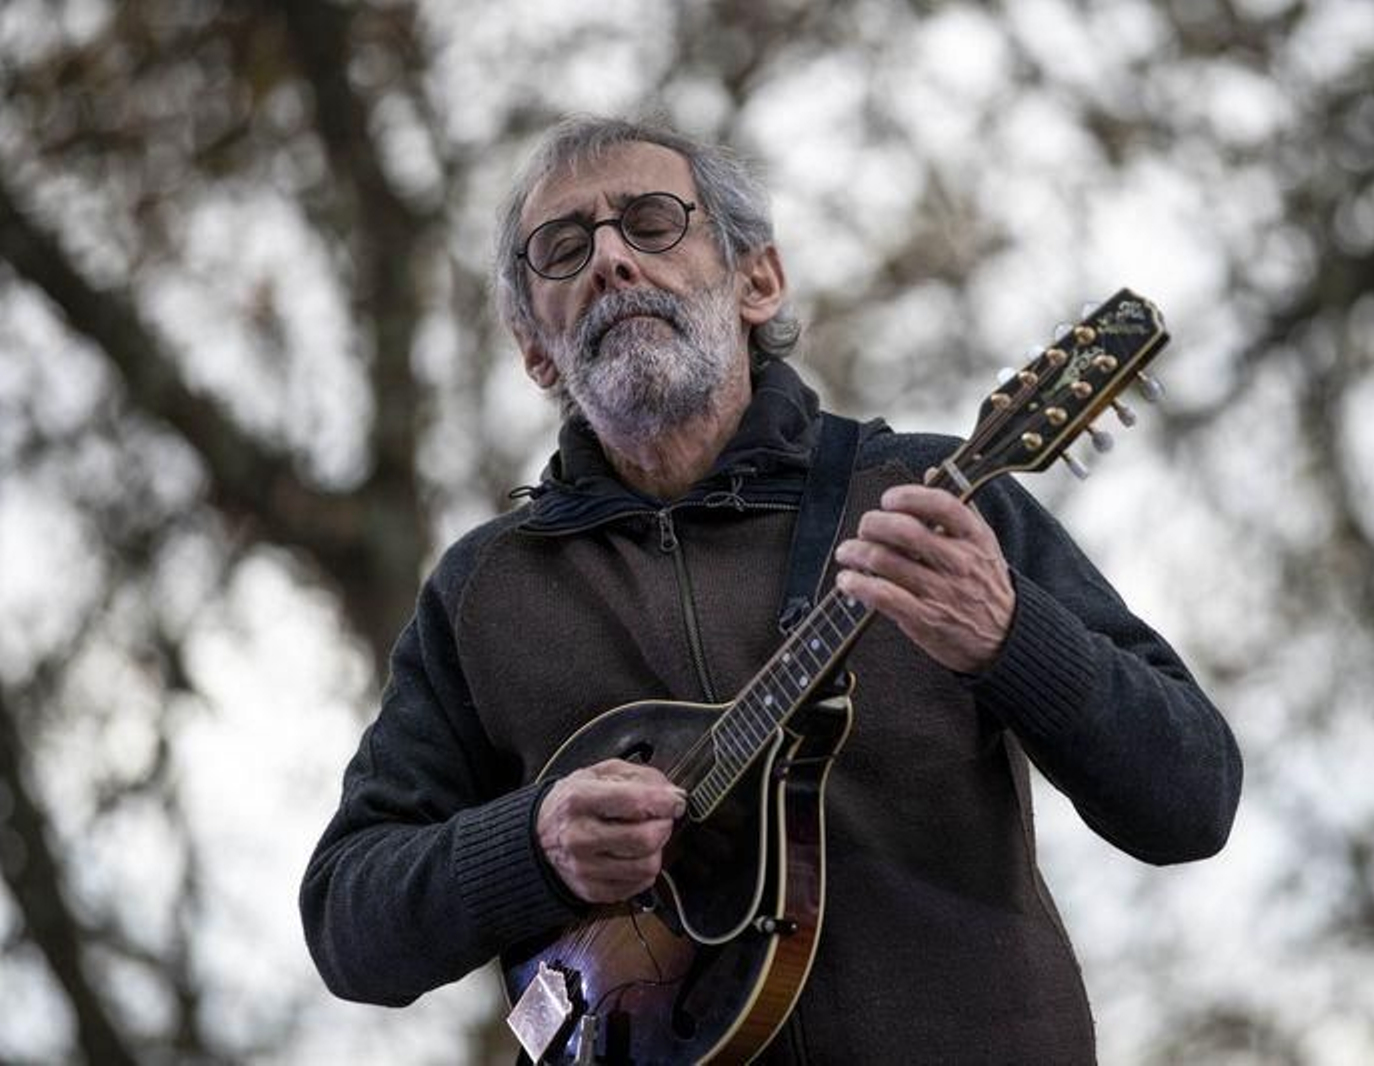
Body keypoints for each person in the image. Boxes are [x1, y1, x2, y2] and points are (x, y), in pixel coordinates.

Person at [300, 114, 1243, 1064]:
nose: (613, 260)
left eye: (654, 220)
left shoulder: (926, 501)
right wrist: (532, 847)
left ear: (758, 280)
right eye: (564, 246)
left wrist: (1011, 637)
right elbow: (348, 918)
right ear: (534, 347)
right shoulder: (486, 592)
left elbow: (1192, 800)